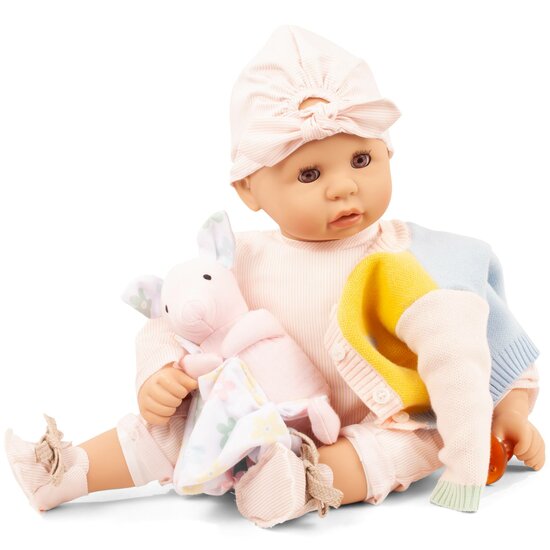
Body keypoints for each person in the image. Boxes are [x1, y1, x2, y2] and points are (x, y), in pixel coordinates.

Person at [5, 24, 545, 528]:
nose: (343, 187)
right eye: (309, 173)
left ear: (387, 151)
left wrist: (510, 408)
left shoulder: (418, 255)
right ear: (249, 189)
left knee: (414, 443)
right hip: (247, 410)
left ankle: (301, 481)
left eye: (361, 160)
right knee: (170, 425)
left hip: (375, 421)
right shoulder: (240, 258)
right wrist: (159, 372)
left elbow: (486, 347)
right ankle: (65, 471)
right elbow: (171, 317)